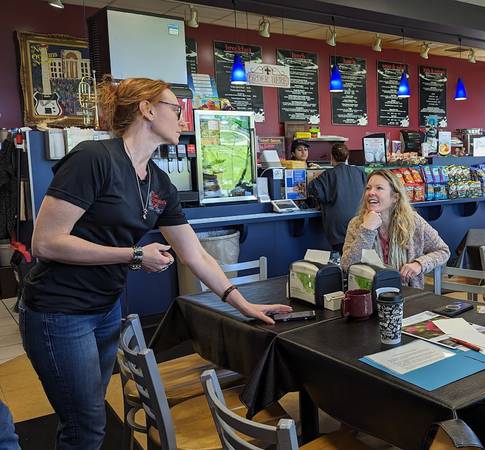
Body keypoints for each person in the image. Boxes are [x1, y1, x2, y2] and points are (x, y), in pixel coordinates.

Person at [19, 77, 291, 450]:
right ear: (147, 110)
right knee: (86, 425)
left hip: (105, 308)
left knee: (87, 415)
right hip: (59, 311)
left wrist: (243, 304)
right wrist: (133, 255)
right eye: (176, 109)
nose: (183, 118)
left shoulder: (159, 182)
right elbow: (46, 243)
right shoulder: (94, 159)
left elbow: (194, 253)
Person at [341, 169, 449, 287]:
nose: (371, 192)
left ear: (395, 197)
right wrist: (367, 229)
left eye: (379, 188)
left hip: (406, 295)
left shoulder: (413, 222)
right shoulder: (356, 224)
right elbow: (347, 266)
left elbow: (443, 251)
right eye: (368, 188)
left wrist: (419, 264)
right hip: (367, 295)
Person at [307, 143, 367, 253]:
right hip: (359, 221)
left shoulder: (328, 175)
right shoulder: (360, 172)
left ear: (332, 157)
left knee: (343, 256)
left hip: (338, 227)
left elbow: (313, 189)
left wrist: (317, 174)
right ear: (347, 157)